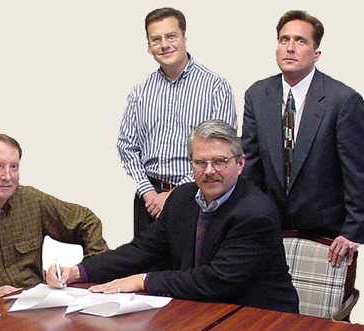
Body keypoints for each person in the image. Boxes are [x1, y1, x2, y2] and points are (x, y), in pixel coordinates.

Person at [47, 120, 298, 313]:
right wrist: (78, 272)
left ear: (240, 163)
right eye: (200, 163)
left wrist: (144, 281)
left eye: (220, 162)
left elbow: (215, 280)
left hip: (260, 318)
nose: (209, 171)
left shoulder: (256, 213)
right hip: (200, 310)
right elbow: (141, 250)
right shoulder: (182, 198)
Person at [241, 10, 364, 267]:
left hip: (326, 233)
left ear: (316, 54)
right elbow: (250, 166)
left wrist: (354, 230)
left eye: (300, 41)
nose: (290, 48)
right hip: (268, 229)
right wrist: (247, 220)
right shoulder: (258, 95)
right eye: (284, 40)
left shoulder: (343, 100)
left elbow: (362, 172)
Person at [0, 133, 109, 300]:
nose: (7, 176)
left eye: (13, 167)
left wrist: (86, 271)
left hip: (35, 305)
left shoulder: (31, 201)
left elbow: (87, 221)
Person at [117, 7, 237, 238]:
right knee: (145, 271)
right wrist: (148, 192)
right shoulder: (140, 92)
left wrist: (175, 194)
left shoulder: (215, 87)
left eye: (171, 36)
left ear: (184, 38)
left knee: (188, 271)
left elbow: (222, 149)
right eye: (156, 39)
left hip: (198, 196)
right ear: (149, 46)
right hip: (148, 202)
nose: (164, 45)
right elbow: (126, 146)